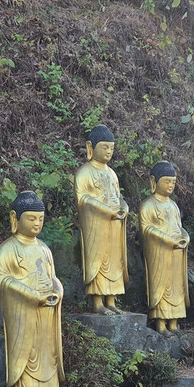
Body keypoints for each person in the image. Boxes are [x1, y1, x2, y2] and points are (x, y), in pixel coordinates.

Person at [0, 191, 64, 387]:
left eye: (40, 219)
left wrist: (57, 292)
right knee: (27, 357)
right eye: (31, 219)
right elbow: (4, 280)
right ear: (15, 218)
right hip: (22, 314)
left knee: (47, 356)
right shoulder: (7, 249)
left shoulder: (44, 249)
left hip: (46, 312)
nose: (37, 224)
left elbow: (53, 277)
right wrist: (33, 296)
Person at [75, 124, 129, 314]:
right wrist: (106, 210)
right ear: (91, 147)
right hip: (96, 226)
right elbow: (83, 198)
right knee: (98, 261)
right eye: (104, 147)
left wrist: (124, 208)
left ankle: (112, 301)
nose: (108, 152)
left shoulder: (112, 174)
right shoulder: (85, 172)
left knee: (114, 261)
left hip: (114, 225)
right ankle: (98, 303)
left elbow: (118, 197)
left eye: (112, 148)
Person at [140, 161, 190, 336]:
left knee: (176, 287)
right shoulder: (148, 205)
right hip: (159, 254)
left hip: (176, 253)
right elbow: (147, 228)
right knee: (161, 286)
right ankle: (161, 324)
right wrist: (168, 240)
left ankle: (174, 323)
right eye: (167, 181)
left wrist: (185, 237)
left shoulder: (173, 205)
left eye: (173, 182)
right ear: (154, 182)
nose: (170, 186)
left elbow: (179, 227)